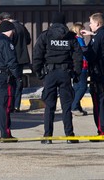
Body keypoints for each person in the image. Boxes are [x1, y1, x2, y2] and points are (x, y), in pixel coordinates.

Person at [32, 12, 83, 144]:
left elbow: (37, 55)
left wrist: (38, 73)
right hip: (65, 73)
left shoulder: (46, 35)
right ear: (64, 23)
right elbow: (78, 56)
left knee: (49, 106)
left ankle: (48, 136)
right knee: (66, 106)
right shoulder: (70, 36)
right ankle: (69, 136)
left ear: (53, 22)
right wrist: (76, 74)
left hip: (50, 73)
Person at [0, 12, 31, 112]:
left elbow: (6, 43)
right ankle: (17, 104)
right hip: (21, 58)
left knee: (10, 82)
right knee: (18, 81)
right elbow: (28, 40)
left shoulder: (9, 29)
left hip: (11, 58)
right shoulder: (21, 26)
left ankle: (11, 105)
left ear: (4, 20)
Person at [81, 12, 104, 138]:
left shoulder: (97, 37)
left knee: (99, 104)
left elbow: (93, 55)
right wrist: (92, 35)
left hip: (99, 75)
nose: (89, 25)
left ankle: (101, 130)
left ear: (98, 23)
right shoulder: (99, 34)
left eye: (91, 23)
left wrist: (83, 48)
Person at [70, 23, 88, 116]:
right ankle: (74, 106)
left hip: (74, 66)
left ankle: (77, 107)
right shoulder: (79, 40)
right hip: (82, 66)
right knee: (82, 87)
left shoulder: (72, 39)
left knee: (76, 87)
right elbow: (84, 51)